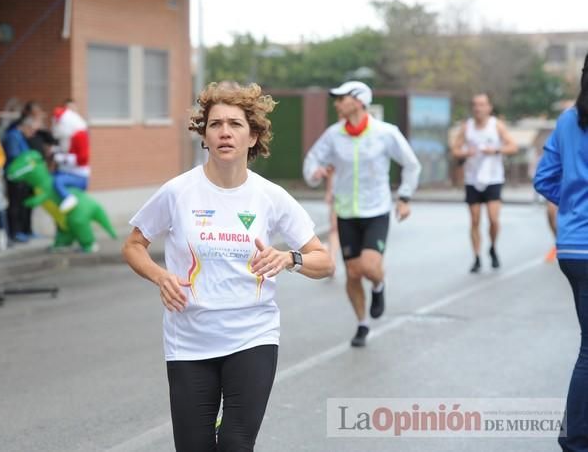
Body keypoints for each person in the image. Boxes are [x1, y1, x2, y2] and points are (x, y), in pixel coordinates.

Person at [122, 82, 334, 452]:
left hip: (252, 334)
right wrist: (160, 276)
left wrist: (289, 258)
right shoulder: (178, 192)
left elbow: (325, 261)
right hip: (189, 339)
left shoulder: (270, 195)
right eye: (215, 124)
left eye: (235, 124)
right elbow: (135, 245)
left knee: (235, 444)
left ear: (253, 137)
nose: (224, 132)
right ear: (204, 135)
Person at [303, 81, 421, 347]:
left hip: (376, 210)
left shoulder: (385, 133)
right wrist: (315, 174)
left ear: (358, 101)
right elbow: (311, 161)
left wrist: (404, 197)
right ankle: (362, 323)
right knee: (353, 273)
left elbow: (411, 164)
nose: (336, 103)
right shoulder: (333, 135)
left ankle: (379, 286)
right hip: (346, 212)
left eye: (341, 98)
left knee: (369, 267)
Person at [533, 53, 588, 452]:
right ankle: (575, 438)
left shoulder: (569, 119)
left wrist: (571, 205)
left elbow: (544, 179)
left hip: (572, 247)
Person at [449, 93, 518, 273]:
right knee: (474, 219)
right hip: (472, 179)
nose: (478, 108)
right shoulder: (467, 127)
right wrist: (465, 153)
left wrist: (495, 150)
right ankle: (477, 257)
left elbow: (513, 146)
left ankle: (493, 247)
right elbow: (455, 149)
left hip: (493, 178)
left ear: (489, 107)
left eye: (481, 104)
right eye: (475, 105)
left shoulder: (497, 126)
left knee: (493, 219)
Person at [3, 116, 39, 242]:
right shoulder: (14, 136)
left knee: (21, 204)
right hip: (15, 175)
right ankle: (14, 232)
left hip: (22, 174)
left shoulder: (19, 136)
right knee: (15, 205)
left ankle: (22, 230)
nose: (32, 134)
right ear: (25, 127)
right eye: (31, 130)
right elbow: (14, 155)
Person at [51, 105, 90, 213]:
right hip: (68, 172)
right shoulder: (68, 136)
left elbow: (82, 159)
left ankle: (68, 197)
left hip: (79, 176)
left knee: (58, 181)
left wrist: (61, 158)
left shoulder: (79, 135)